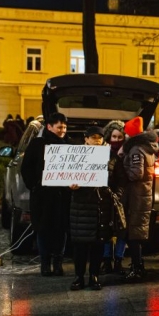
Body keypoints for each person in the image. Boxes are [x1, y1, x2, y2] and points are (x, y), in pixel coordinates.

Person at [20, 112, 71, 276]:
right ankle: (45, 263)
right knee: (43, 229)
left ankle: (58, 263)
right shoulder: (37, 144)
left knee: (61, 230)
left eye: (64, 127)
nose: (63, 130)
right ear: (49, 127)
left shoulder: (69, 145)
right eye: (59, 127)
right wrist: (34, 185)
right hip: (42, 196)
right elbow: (26, 168)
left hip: (62, 196)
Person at [69, 126, 116, 291]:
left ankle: (94, 275)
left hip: (101, 205)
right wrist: (70, 186)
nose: (96, 140)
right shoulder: (75, 155)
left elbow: (118, 180)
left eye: (99, 137)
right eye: (93, 137)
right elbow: (65, 175)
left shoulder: (111, 156)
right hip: (81, 206)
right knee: (80, 244)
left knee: (98, 243)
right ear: (86, 139)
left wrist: (112, 194)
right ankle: (79, 276)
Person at [121, 118, 159, 281]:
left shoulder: (136, 149)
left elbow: (136, 173)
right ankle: (138, 265)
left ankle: (137, 268)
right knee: (137, 231)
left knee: (134, 233)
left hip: (136, 196)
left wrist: (121, 175)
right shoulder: (147, 147)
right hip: (143, 194)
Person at [101, 120, 127, 275]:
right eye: (114, 136)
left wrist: (118, 195)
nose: (116, 140)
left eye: (120, 137)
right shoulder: (103, 153)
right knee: (106, 230)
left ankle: (118, 259)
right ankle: (106, 260)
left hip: (122, 197)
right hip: (105, 197)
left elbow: (123, 179)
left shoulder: (128, 152)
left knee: (122, 230)